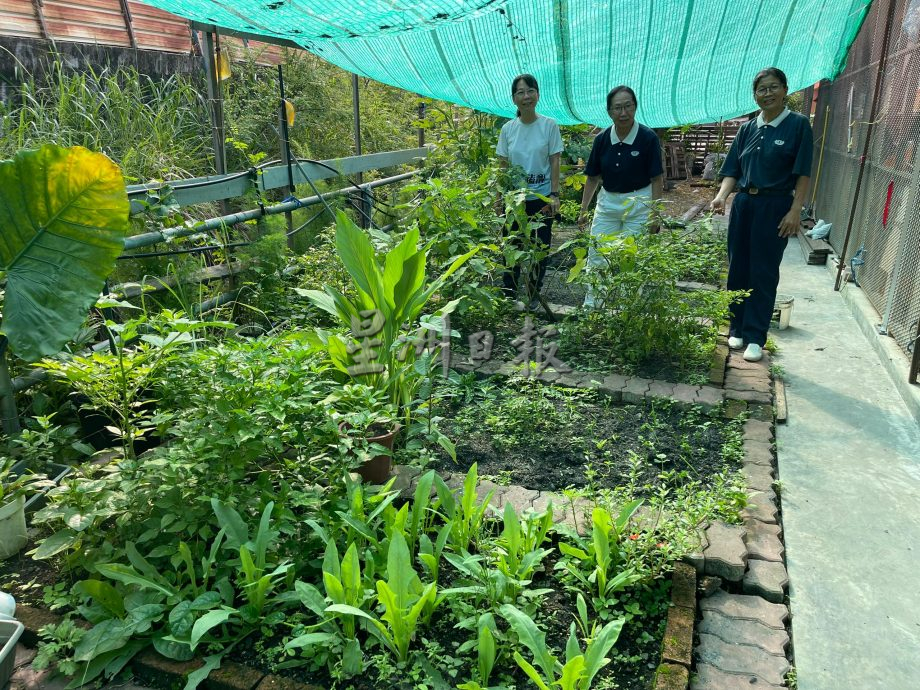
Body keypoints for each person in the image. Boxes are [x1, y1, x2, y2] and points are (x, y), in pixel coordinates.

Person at [709, 67, 813, 362]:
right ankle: (737, 328)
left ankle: (756, 336)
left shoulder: (797, 125)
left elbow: (803, 172)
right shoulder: (747, 128)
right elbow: (733, 170)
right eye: (761, 89)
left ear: (784, 90)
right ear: (755, 95)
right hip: (744, 204)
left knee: (763, 271)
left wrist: (795, 210)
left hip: (775, 206)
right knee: (738, 267)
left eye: (773, 87)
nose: (767, 94)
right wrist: (721, 196)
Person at [578, 85, 664, 308]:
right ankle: (592, 306)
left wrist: (655, 215)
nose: (623, 113)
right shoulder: (602, 139)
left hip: (639, 204)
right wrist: (583, 210)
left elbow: (657, 180)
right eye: (617, 108)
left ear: (635, 107)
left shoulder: (647, 138)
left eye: (628, 106)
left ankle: (627, 310)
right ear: (609, 112)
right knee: (597, 254)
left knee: (630, 259)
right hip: (608, 203)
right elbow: (592, 177)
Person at [495, 74, 563, 309]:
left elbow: (555, 161)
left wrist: (555, 194)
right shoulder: (508, 129)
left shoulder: (549, 125)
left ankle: (533, 294)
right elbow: (502, 166)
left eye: (530, 91)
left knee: (540, 248)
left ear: (537, 94)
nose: (526, 96)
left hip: (541, 198)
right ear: (514, 99)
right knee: (511, 246)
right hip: (514, 200)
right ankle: (508, 294)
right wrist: (498, 198)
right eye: (520, 92)